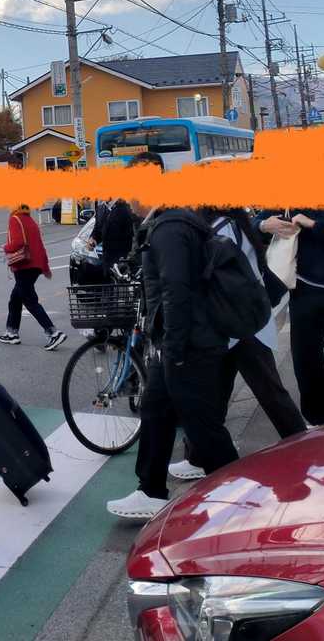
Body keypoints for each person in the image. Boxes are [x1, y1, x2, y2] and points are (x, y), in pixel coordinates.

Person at [107, 153, 238, 521]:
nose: (128, 200)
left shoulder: (169, 228)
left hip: (188, 345)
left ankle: (241, 493)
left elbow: (176, 292)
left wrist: (174, 349)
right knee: (156, 410)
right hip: (182, 342)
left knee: (203, 427)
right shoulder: (170, 221)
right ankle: (150, 490)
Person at [171, 206, 307, 480]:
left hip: (241, 325)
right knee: (215, 395)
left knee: (269, 392)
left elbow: (212, 274)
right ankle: (197, 457)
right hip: (237, 322)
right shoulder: (233, 224)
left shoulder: (221, 228)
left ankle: (304, 448)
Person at [260, 207, 324, 426]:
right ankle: (318, 421)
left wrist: (314, 225)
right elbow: (258, 221)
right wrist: (264, 225)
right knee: (305, 359)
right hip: (303, 288)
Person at [0, 205, 66, 350]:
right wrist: (45, 267)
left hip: (24, 265)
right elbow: (40, 246)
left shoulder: (15, 219)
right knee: (15, 299)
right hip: (35, 265)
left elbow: (18, 243)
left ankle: (53, 333)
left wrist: (5, 247)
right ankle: (11, 332)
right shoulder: (30, 220)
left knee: (29, 301)